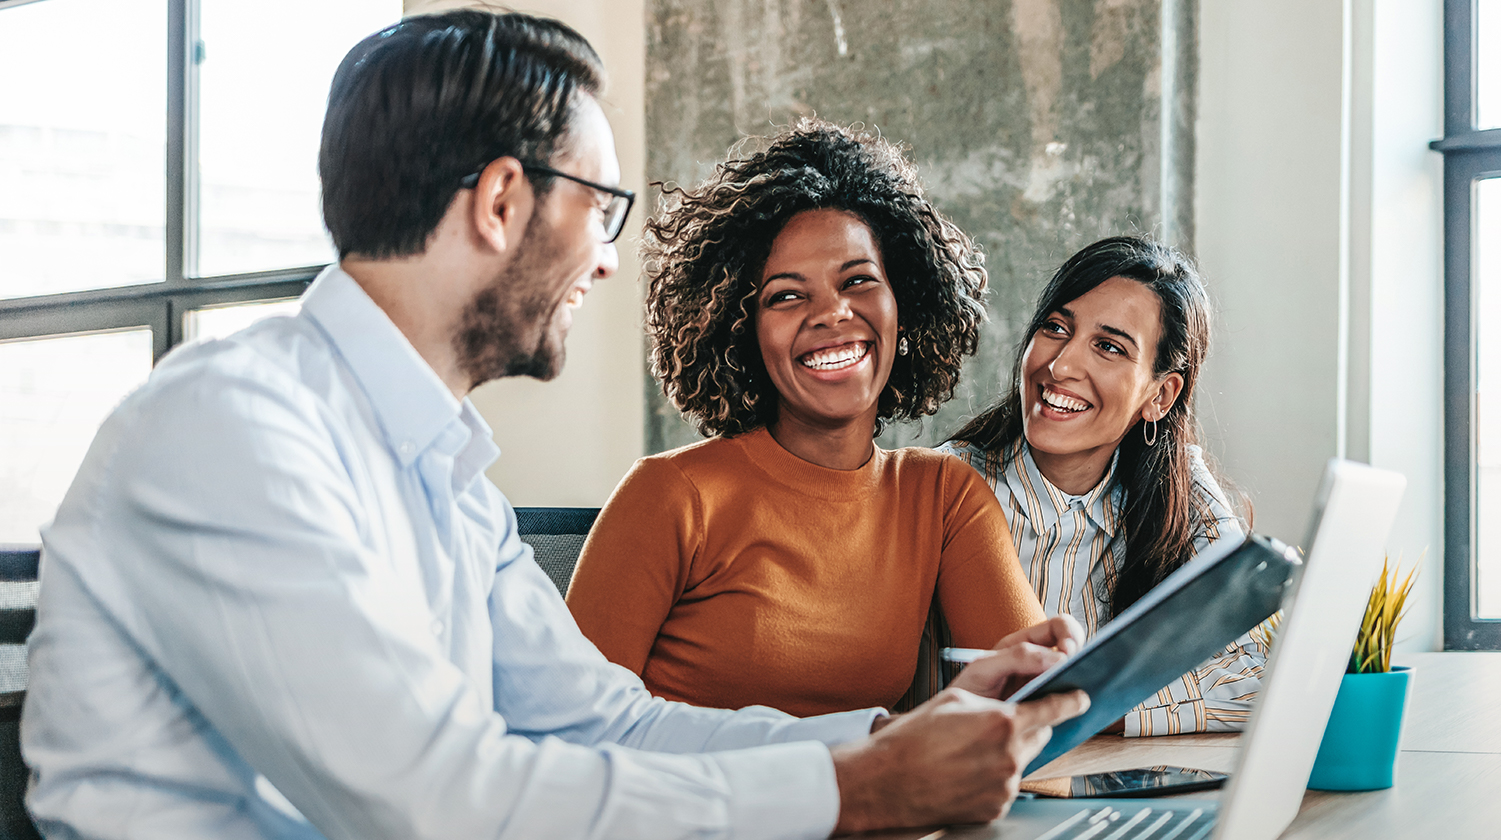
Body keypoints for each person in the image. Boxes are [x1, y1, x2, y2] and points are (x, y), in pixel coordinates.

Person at [22, 12, 1086, 840]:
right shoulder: (231, 429)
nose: (611, 258)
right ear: (500, 202)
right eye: (601, 208)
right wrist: (851, 794)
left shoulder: (443, 481)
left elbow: (605, 722)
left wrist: (899, 738)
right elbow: (437, 803)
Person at [563, 120, 1050, 718]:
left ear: (906, 303)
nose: (833, 313)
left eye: (858, 281)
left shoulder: (943, 497)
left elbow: (1032, 708)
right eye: (788, 296)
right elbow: (569, 734)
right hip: (696, 807)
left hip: (870, 808)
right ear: (743, 333)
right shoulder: (669, 497)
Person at [942, 235, 1273, 736]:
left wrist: (1084, 707)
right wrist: (1119, 695)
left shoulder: (1180, 495)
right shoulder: (945, 486)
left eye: (1109, 347)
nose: (1060, 366)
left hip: (1108, 790)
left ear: (1160, 396)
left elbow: (1262, 674)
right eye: (1056, 328)